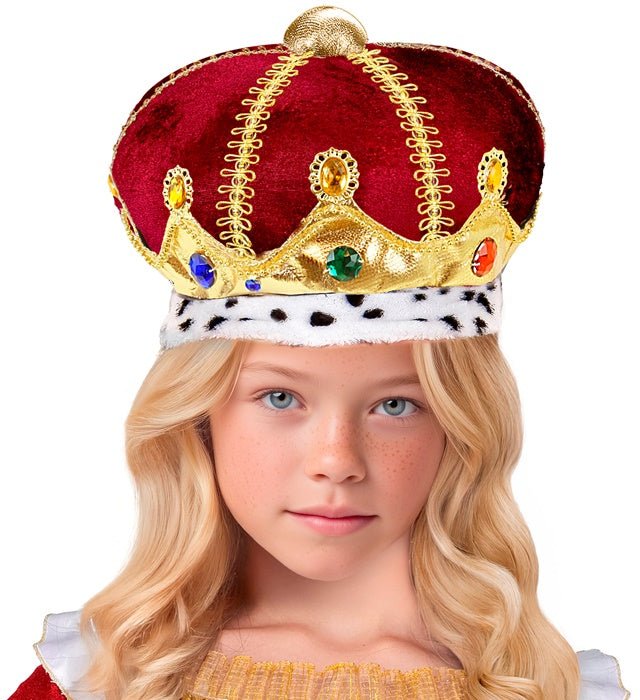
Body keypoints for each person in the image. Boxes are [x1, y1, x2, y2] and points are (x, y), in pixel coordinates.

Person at [8, 5, 630, 700]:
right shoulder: (98, 680)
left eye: (397, 405)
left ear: (462, 423)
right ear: (199, 414)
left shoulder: (546, 689)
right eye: (280, 397)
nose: (337, 461)